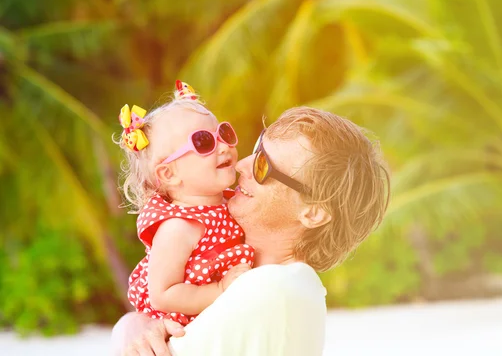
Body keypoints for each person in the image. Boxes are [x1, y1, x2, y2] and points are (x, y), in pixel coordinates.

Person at [111, 106, 391, 356]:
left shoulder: (271, 291)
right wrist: (135, 323)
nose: (241, 164)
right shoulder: (268, 283)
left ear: (312, 212)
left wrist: (129, 330)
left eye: (263, 166)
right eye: (257, 149)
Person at [116, 80, 254, 328]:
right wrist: (220, 289)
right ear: (169, 174)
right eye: (203, 142)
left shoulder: (232, 201)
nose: (224, 146)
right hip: (183, 331)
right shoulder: (178, 227)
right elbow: (163, 294)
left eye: (223, 133)